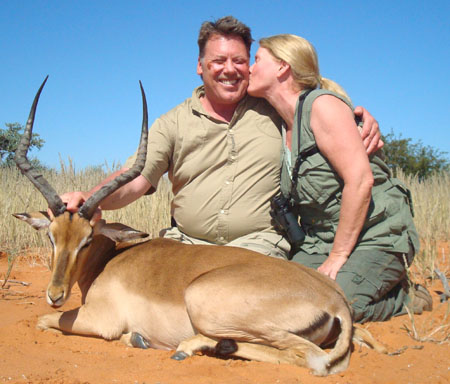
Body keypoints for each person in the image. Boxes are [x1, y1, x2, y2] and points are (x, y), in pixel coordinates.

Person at [62, 16, 381, 260]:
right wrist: (88, 199)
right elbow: (134, 180)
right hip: (187, 244)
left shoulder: (276, 108)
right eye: (218, 61)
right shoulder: (172, 122)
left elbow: (323, 107)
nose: (230, 69)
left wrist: (361, 120)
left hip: (259, 245)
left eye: (240, 61)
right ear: (200, 66)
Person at [247, 33, 432, 322]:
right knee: (280, 301)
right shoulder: (278, 122)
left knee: (331, 312)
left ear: (282, 67)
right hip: (320, 240)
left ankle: (407, 298)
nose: (248, 68)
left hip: (376, 234)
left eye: (256, 60)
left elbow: (360, 181)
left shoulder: (322, 106)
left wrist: (337, 257)